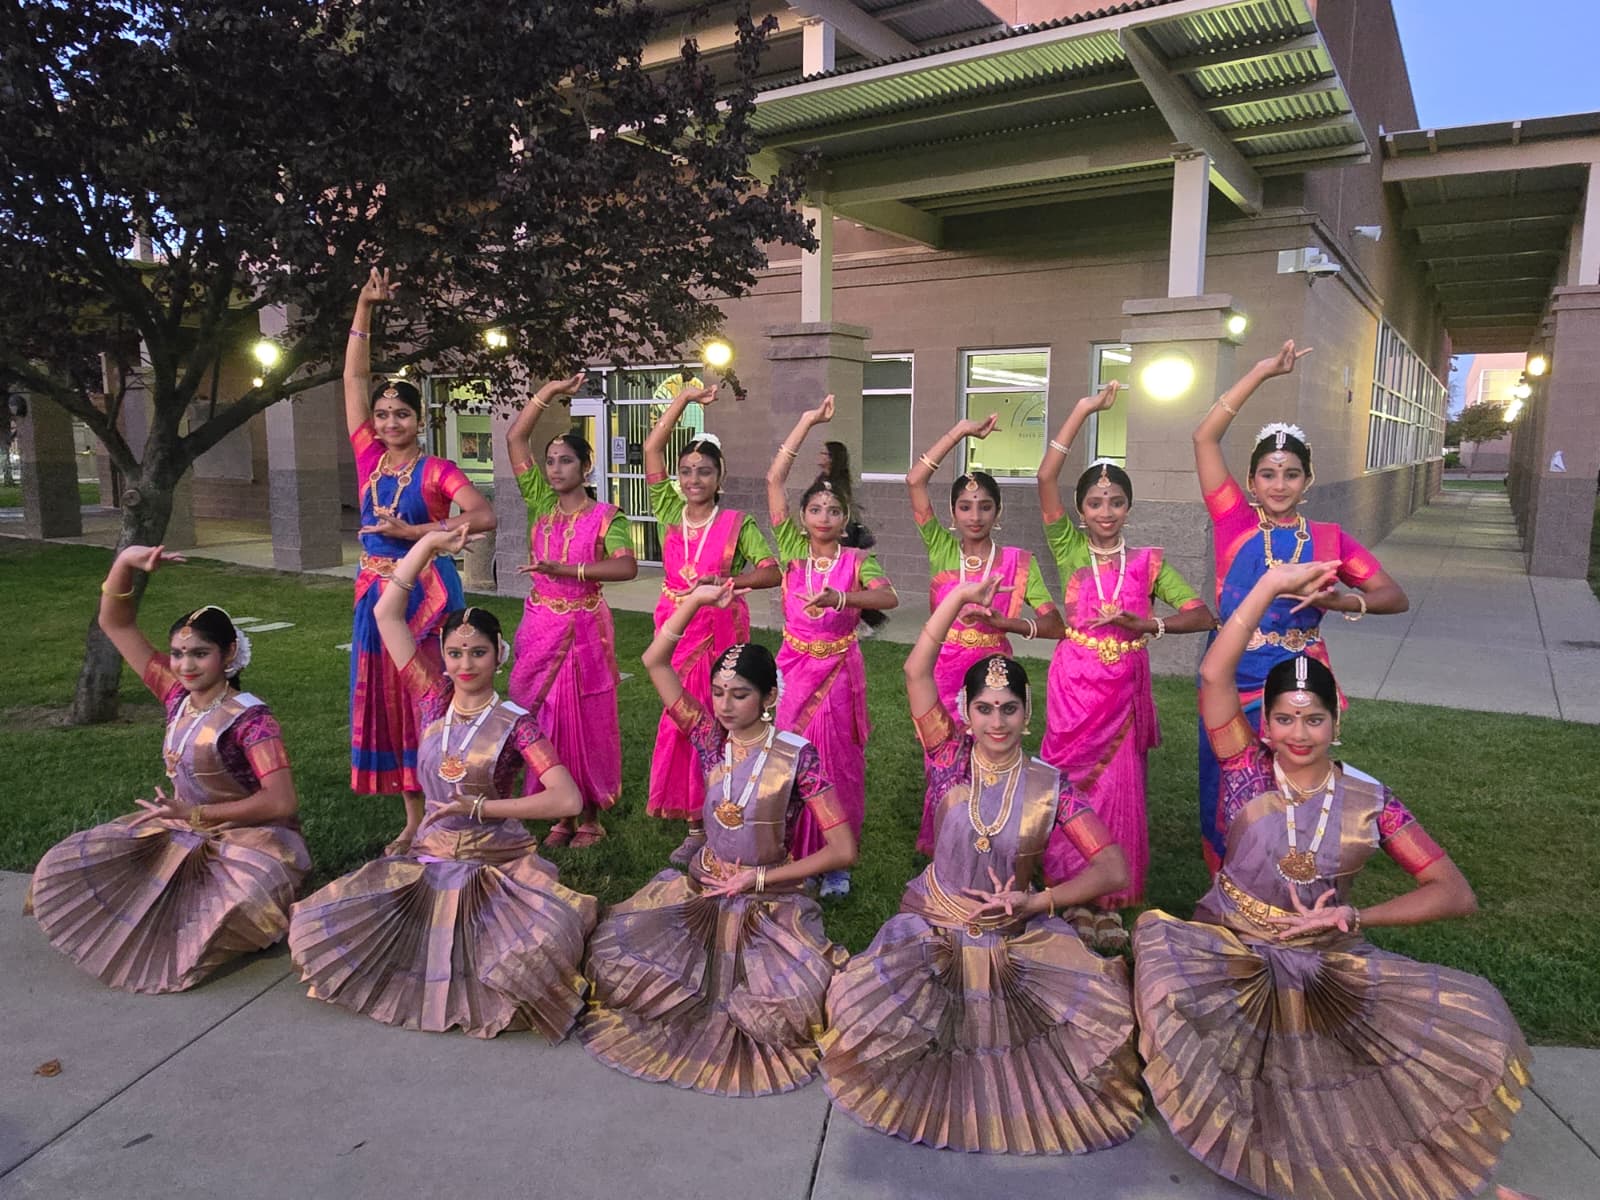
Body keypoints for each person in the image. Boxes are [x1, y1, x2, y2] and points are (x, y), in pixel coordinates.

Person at [1134, 558, 1528, 1200]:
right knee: (1165, 991)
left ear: (1336, 721)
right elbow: (1213, 673)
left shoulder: (1371, 801)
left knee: (1393, 1072)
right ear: (1264, 723)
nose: (1298, 733)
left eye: (1313, 718)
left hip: (1324, 957)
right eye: (1285, 718)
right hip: (1232, 947)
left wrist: (1356, 917)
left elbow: (1453, 892)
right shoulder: (1244, 769)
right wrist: (1270, 586)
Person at [818, 576, 1143, 1154]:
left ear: (1027, 713)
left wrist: (1037, 901)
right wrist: (958, 598)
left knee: (1098, 1029)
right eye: (985, 709)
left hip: (1013, 935)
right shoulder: (948, 757)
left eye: (1009, 709)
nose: (997, 722)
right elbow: (917, 670)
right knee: (856, 1013)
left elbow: (1113, 870)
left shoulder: (1051, 786)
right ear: (965, 714)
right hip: (936, 926)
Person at [289, 528, 597, 1039]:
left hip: (495, 866)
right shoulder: (432, 700)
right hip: (431, 861)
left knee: (541, 953)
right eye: (454, 653)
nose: (464, 665)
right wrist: (428, 546)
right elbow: (387, 614)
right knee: (314, 927)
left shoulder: (517, 723)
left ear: (498, 655)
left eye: (477, 653)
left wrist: (482, 810)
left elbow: (567, 797)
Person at [581, 582, 857, 1095]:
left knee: (795, 1010)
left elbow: (844, 850)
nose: (725, 705)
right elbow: (655, 661)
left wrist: (759, 878)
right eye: (719, 693)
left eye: (740, 694)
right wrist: (694, 602)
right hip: (705, 889)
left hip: (769, 901)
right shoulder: (711, 739)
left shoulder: (798, 756)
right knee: (619, 969)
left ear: (769, 697)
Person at [28, 545, 309, 993]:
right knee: (85, 865)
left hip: (253, 841)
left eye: (199, 653)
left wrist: (196, 815)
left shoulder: (253, 720)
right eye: (177, 653)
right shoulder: (176, 694)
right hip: (183, 827)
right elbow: (116, 623)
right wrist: (125, 562)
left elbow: (281, 802)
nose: (184, 665)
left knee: (227, 909)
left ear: (228, 653)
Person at [1192, 340, 1408, 872]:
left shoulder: (1330, 539)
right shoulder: (1234, 521)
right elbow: (1204, 436)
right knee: (1226, 781)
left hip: (1297, 678)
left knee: (1293, 778)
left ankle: (1291, 871)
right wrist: (1262, 372)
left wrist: (1340, 599)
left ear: (1307, 480)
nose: (1279, 484)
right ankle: (1230, 880)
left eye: (1291, 474)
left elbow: (1393, 596)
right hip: (1232, 674)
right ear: (1251, 481)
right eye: (1268, 473)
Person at [1035, 383, 1216, 949]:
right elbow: (1045, 477)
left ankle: (1107, 901)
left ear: (1129, 508)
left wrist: (1150, 625)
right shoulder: (1068, 549)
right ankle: (1069, 891)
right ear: (1081, 510)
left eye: (1115, 502)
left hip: (1122, 694)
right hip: (1074, 686)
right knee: (1068, 786)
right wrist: (1083, 409)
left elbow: (1202, 614)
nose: (1106, 512)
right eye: (1095, 502)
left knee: (1116, 790)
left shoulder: (1148, 564)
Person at [343, 267, 496, 855]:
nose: (389, 422)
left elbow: (482, 515)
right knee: (388, 701)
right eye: (382, 414)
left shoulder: (437, 470)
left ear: (420, 419)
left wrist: (416, 532)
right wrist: (364, 308)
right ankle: (413, 817)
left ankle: (447, 802)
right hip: (375, 598)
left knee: (428, 696)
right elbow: (354, 378)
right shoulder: (368, 458)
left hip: (427, 597)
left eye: (400, 414)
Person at [905, 415, 1064, 853]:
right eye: (965, 506)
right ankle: (947, 841)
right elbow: (916, 480)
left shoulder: (1018, 562)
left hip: (992, 674)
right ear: (952, 513)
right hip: (942, 674)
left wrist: (1004, 624)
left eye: (985, 507)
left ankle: (992, 837)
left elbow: (1055, 625)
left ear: (999, 512)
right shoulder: (941, 548)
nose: (975, 516)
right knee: (942, 760)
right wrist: (959, 431)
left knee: (992, 756)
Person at [641, 379, 779, 865]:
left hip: (720, 631)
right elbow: (651, 448)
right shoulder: (668, 510)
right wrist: (684, 400)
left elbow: (772, 571)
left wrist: (729, 582)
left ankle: (726, 812)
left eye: (703, 472)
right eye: (686, 471)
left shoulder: (737, 523)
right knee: (682, 720)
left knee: (722, 720)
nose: (693, 479)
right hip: (676, 626)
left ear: (720, 478)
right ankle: (694, 824)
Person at [767, 396, 898, 897]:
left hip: (839, 672)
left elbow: (888, 597)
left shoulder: (856, 561)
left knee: (838, 763)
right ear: (802, 517)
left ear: (845, 521)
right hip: (793, 668)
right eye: (816, 508)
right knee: (789, 757)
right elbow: (774, 481)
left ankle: (836, 860)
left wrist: (842, 597)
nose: (824, 516)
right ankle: (793, 849)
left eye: (834, 510)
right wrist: (805, 420)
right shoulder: (792, 552)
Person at [505, 372, 637, 848]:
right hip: (540, 624)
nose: (556, 469)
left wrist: (567, 569)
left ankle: (591, 816)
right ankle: (559, 810)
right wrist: (549, 392)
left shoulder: (607, 517)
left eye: (566, 461)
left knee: (584, 717)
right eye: (551, 461)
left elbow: (625, 567)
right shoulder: (540, 503)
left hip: (583, 630)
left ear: (586, 467)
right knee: (541, 716)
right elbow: (515, 438)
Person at [815, 438, 887, 635]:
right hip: (833, 536)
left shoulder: (834, 483)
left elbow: (840, 511)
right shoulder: (824, 479)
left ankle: (870, 618)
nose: (820, 456)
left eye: (824, 453)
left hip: (840, 537)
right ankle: (867, 617)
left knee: (842, 579)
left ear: (832, 458)